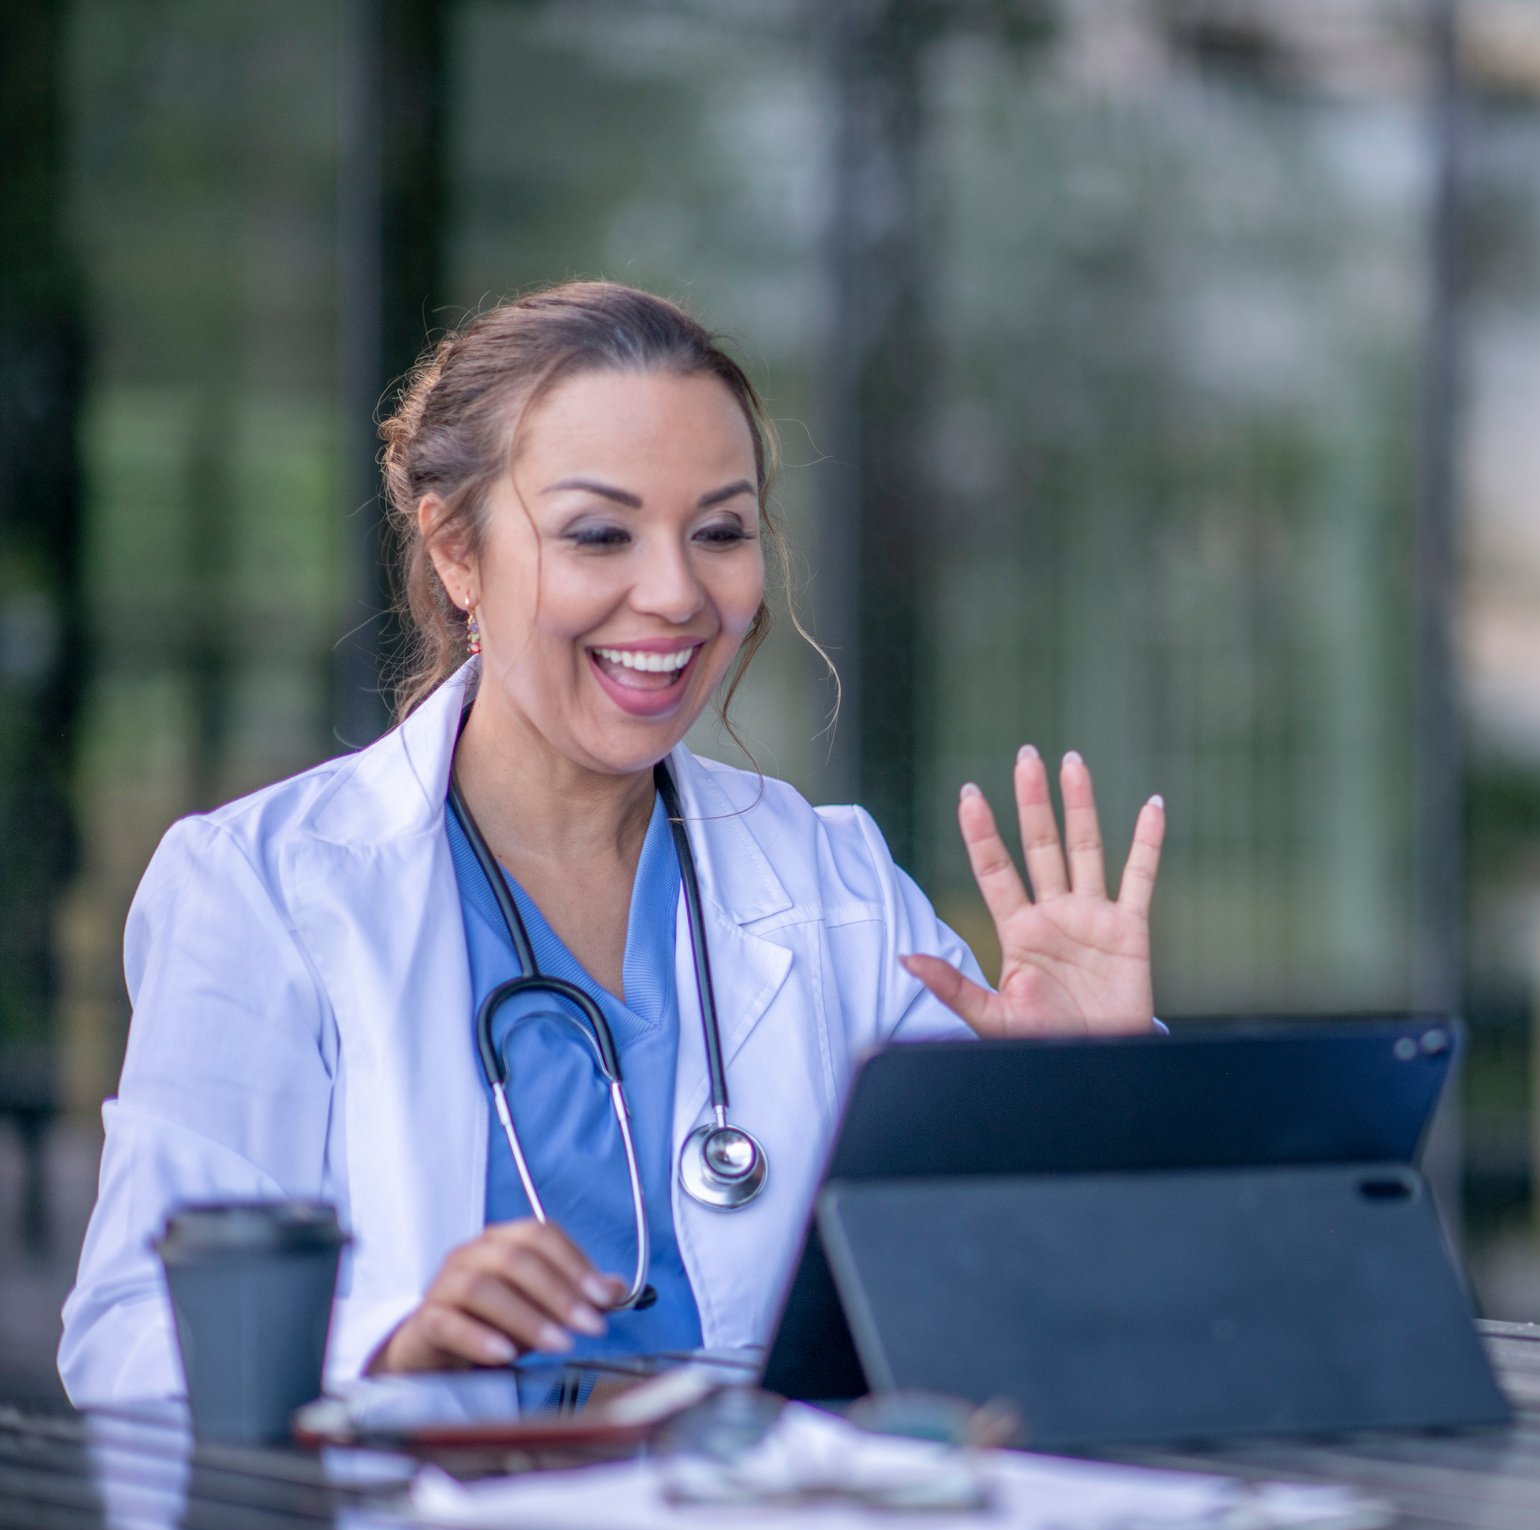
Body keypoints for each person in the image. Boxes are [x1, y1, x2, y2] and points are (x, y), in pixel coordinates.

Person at [59, 282, 1165, 1404]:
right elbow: (130, 1336)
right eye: (599, 533)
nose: (676, 592)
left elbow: (1030, 1303)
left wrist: (1094, 1098)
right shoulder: (264, 888)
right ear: (454, 550)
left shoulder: (833, 882)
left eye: (721, 532)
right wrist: (391, 1337)